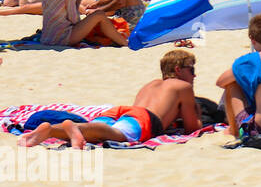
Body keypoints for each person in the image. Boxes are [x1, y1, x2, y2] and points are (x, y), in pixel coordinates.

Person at [18, 50, 202, 147]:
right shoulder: (183, 87)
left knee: (96, 131)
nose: (194, 76)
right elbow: (192, 128)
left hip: (121, 111)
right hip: (143, 118)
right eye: (191, 70)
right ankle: (66, 128)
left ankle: (50, 130)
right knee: (116, 135)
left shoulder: (150, 84)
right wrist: (197, 111)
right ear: (178, 70)